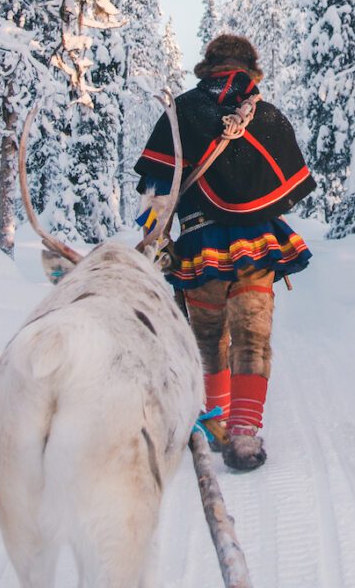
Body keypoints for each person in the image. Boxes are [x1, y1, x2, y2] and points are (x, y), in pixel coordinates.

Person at [133, 33, 315, 471]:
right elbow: (288, 190)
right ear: (252, 68)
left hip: (201, 246)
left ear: (207, 67)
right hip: (257, 245)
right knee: (252, 337)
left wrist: (154, 239)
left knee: (209, 340)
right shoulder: (267, 117)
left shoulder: (182, 112)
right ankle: (245, 435)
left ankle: (215, 424)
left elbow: (157, 190)